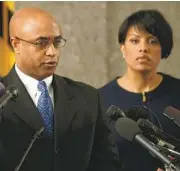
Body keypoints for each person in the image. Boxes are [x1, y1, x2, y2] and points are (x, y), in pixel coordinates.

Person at [0, 7, 119, 171]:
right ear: (16, 44)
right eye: (41, 43)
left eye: (56, 43)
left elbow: (107, 163)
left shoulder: (87, 97)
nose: (52, 52)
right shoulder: (2, 97)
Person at [99, 9, 180, 171]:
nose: (143, 48)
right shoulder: (99, 99)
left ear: (163, 48)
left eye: (153, 41)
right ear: (123, 48)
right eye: (135, 41)